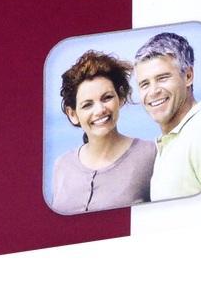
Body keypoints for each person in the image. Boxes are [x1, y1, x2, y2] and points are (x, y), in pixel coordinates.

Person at [51, 50, 155, 214]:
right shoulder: (62, 165)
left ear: (120, 98)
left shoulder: (151, 154)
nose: (100, 110)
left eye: (107, 98)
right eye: (87, 105)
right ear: (73, 114)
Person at [134, 32, 201, 201]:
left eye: (162, 78)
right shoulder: (170, 143)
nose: (153, 91)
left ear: (188, 76)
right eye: (144, 84)